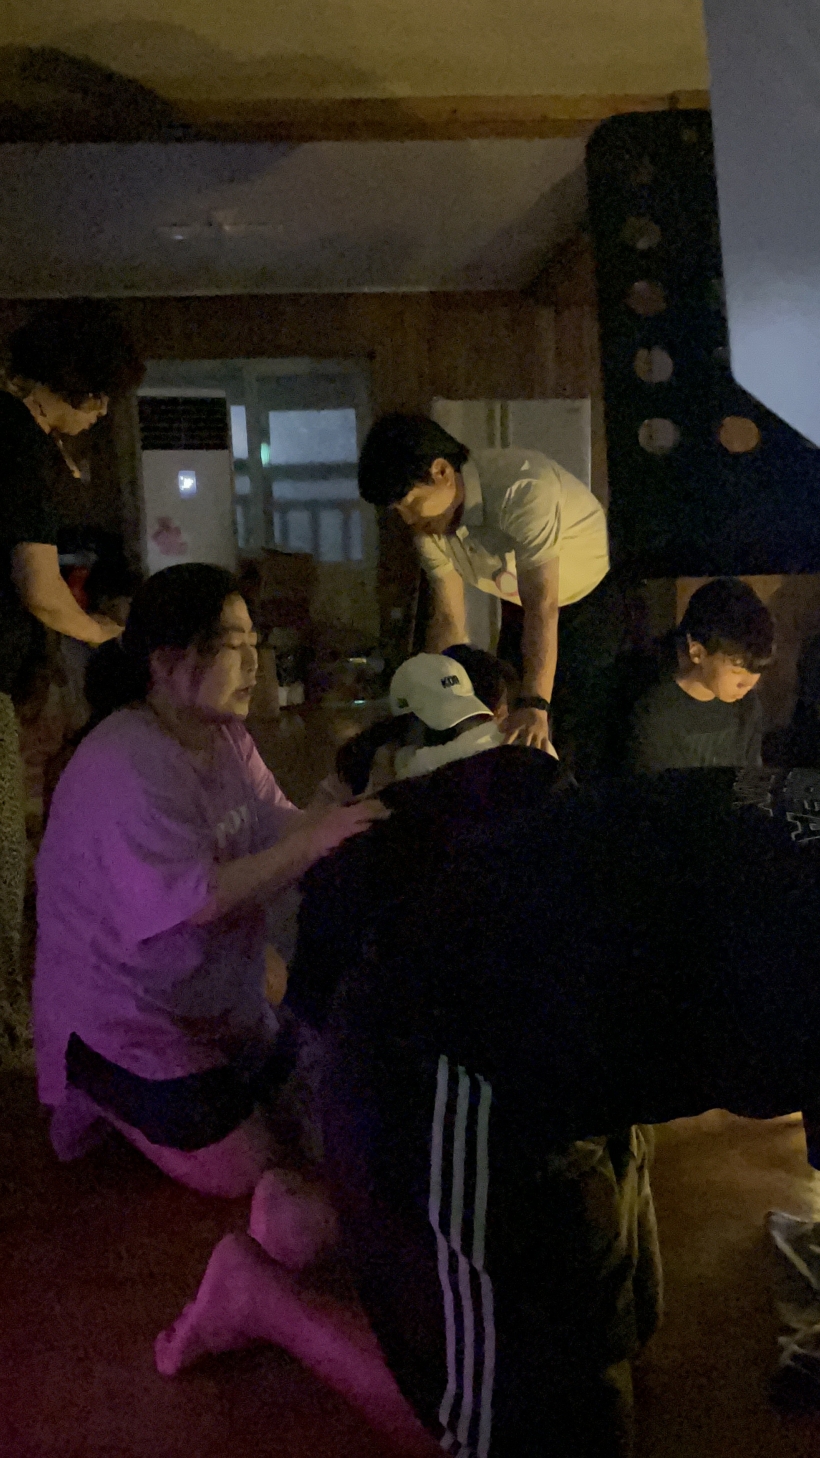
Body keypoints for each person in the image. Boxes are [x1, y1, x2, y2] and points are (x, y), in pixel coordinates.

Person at [156, 756, 820, 1456]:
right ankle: (261, 1298)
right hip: (440, 1050)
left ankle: (321, 1220)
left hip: (554, 1029)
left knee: (623, 1334)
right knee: (535, 1444)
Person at [32, 564, 384, 1198]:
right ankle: (96, 1090)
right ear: (168, 662)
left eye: (255, 643)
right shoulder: (127, 762)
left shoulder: (223, 735)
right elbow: (199, 898)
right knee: (251, 1168)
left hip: (203, 998)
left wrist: (343, 812)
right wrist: (313, 839)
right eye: (232, 646)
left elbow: (275, 822)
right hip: (129, 1016)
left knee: (320, 1113)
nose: (253, 663)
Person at [0, 302, 144, 1070]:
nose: (102, 414)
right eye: (102, 398)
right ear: (76, 383)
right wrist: (108, 635)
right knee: (3, 856)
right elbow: (39, 587)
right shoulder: (21, 441)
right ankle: (10, 1032)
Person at [358, 413, 619, 771]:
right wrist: (430, 701)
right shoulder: (430, 526)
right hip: (521, 605)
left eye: (412, 502)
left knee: (573, 739)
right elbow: (448, 619)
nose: (408, 519)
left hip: (591, 600)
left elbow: (543, 605)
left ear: (441, 471)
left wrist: (536, 705)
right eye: (398, 510)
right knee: (503, 722)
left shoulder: (521, 488)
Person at [629, 578, 774, 772]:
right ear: (697, 651)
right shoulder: (654, 714)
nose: (748, 684)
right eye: (737, 669)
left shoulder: (747, 707)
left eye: (756, 671)